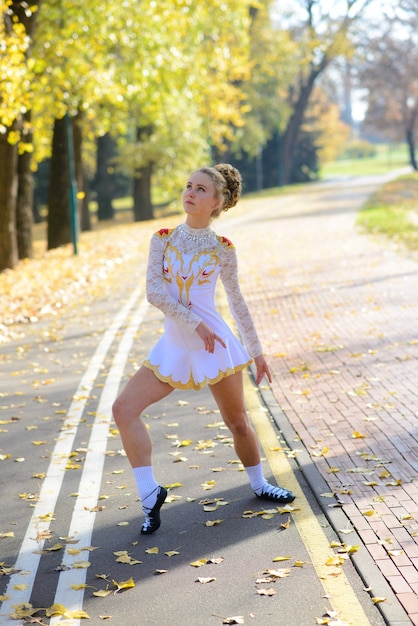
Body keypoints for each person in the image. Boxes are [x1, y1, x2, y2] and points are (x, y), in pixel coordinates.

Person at [112, 163, 295, 535]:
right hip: (177, 345)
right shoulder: (162, 238)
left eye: (200, 189)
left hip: (217, 347)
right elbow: (154, 293)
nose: (190, 193)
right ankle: (150, 496)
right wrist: (194, 323)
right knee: (123, 409)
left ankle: (260, 485)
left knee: (238, 422)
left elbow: (237, 301)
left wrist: (257, 352)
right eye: (188, 186)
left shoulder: (223, 248)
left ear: (217, 202)